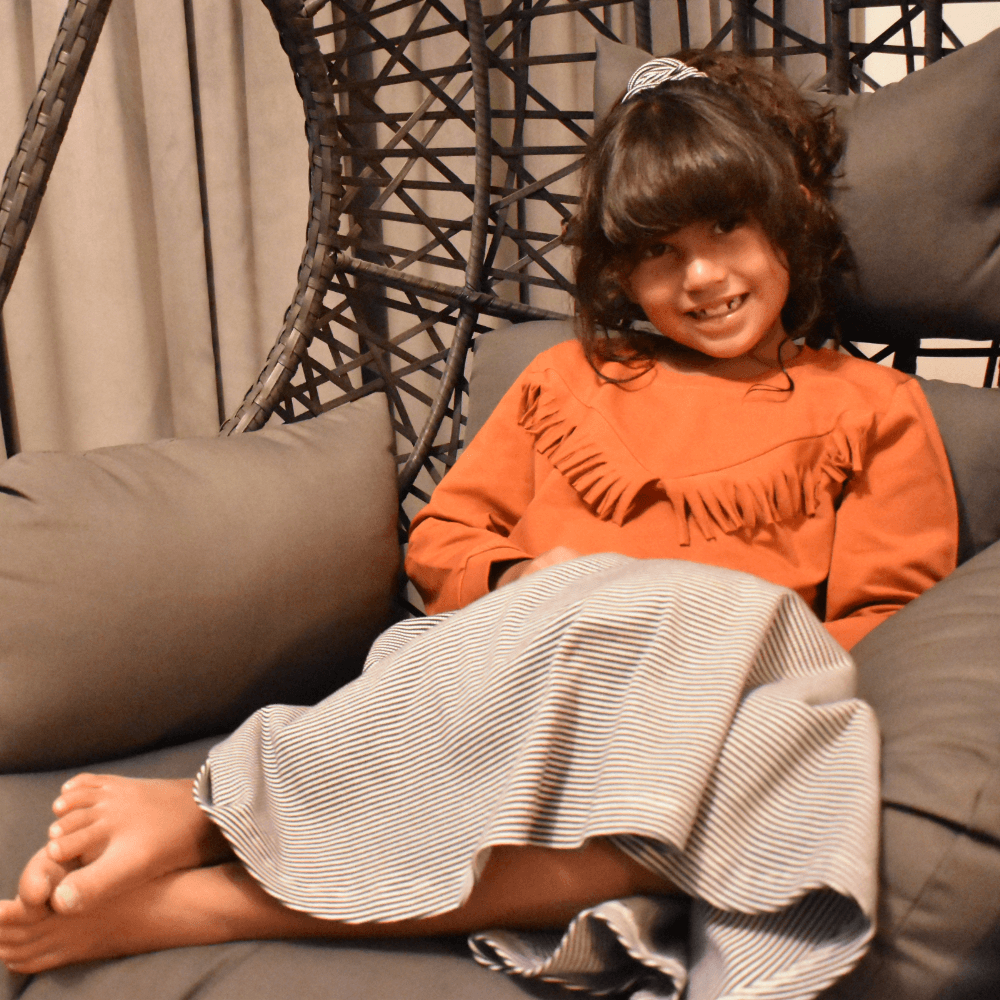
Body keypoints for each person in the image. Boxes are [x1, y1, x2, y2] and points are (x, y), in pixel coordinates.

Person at [0, 51, 956, 999]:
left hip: (702, 718)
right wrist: (527, 582)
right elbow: (445, 541)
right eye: (659, 250)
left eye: (727, 227)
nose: (702, 275)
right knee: (569, 613)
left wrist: (699, 652)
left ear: (790, 213)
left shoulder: (873, 408)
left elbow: (885, 625)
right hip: (527, 677)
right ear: (621, 272)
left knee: (728, 765)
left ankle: (210, 903)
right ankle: (212, 810)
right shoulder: (568, 378)